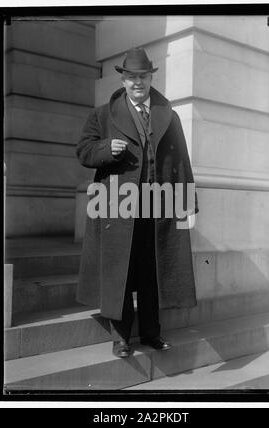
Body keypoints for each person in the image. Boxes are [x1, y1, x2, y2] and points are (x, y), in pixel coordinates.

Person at [76, 47, 199, 358]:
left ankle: (152, 334)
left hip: (158, 206)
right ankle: (121, 339)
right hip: (118, 206)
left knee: (152, 273)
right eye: (131, 77)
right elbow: (83, 152)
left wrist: (187, 204)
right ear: (124, 79)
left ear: (150, 77)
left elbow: (181, 160)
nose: (137, 83)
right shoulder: (103, 114)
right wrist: (106, 148)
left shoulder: (168, 115)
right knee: (122, 271)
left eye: (142, 76)